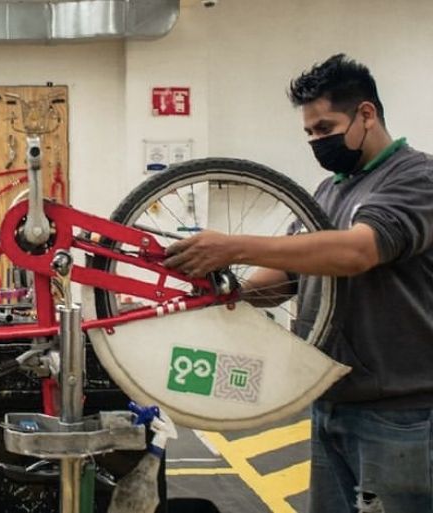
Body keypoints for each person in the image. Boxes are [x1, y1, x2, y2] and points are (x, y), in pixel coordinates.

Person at [164, 54, 433, 512]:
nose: (316, 141)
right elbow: (291, 274)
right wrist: (229, 290)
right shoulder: (330, 189)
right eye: (309, 132)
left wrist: (234, 247)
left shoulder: (416, 178)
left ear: (367, 114)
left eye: (325, 128)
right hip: (329, 399)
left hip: (399, 413)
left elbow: (357, 252)